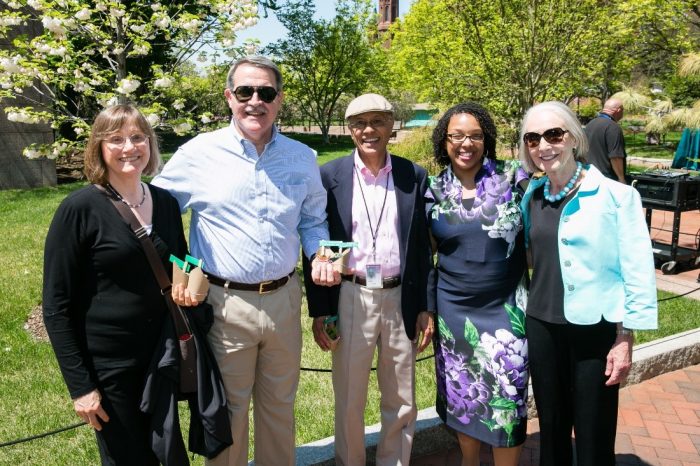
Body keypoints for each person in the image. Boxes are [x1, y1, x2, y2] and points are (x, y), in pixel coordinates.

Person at [152, 56, 336, 466]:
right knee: (228, 414)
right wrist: (178, 269)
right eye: (245, 92)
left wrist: (320, 253)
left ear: (280, 100)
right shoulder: (198, 153)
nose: (256, 101)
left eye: (266, 93)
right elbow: (155, 212)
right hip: (223, 303)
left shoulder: (302, 157)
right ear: (229, 97)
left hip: (285, 300)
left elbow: (313, 220)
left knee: (279, 411)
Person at [43, 104, 188, 465]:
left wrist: (192, 283)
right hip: (110, 366)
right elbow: (56, 306)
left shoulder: (166, 203)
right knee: (127, 458)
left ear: (150, 144)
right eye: (117, 139)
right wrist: (81, 387)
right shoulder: (79, 209)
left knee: (168, 454)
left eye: (138, 137)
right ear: (99, 148)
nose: (129, 147)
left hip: (161, 356)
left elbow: (179, 263)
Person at [518, 101, 658, 466]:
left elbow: (637, 269)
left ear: (574, 137)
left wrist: (625, 337)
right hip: (542, 324)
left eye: (553, 134)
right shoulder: (531, 198)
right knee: (551, 426)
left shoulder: (617, 196)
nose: (543, 146)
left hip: (594, 330)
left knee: (594, 430)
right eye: (533, 139)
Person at [304, 93, 433, 466]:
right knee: (349, 398)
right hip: (350, 294)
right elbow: (314, 239)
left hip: (400, 298)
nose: (368, 130)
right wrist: (321, 310)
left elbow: (423, 248)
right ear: (350, 130)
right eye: (360, 123)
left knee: (402, 398)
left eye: (377, 121)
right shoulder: (329, 177)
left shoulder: (413, 174)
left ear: (392, 125)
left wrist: (426, 306)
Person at [426, 102, 530, 466]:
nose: (465, 143)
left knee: (508, 400)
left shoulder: (514, 178)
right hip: (453, 313)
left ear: (486, 140)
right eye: (457, 136)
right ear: (445, 141)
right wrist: (428, 309)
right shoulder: (434, 188)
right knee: (464, 397)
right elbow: (428, 256)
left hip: (506, 310)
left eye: (475, 135)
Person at [584, 97, 627, 183]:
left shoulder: (590, 124)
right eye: (623, 110)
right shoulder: (613, 127)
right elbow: (616, 156)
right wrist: (621, 178)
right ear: (618, 110)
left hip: (588, 175)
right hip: (607, 179)